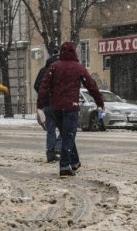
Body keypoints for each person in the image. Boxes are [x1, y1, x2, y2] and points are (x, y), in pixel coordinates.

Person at [37, 42, 104, 178]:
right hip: (71, 107)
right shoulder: (79, 68)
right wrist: (99, 102)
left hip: (56, 107)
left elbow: (43, 86)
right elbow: (92, 86)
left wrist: (40, 106)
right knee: (68, 135)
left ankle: (75, 162)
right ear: (74, 52)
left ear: (61, 52)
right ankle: (64, 167)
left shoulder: (53, 67)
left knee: (67, 135)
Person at [34, 50, 62, 163]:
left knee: (50, 130)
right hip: (60, 104)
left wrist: (44, 95)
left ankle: (50, 154)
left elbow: (36, 85)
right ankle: (58, 149)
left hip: (47, 105)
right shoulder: (60, 70)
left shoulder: (43, 70)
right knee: (65, 129)